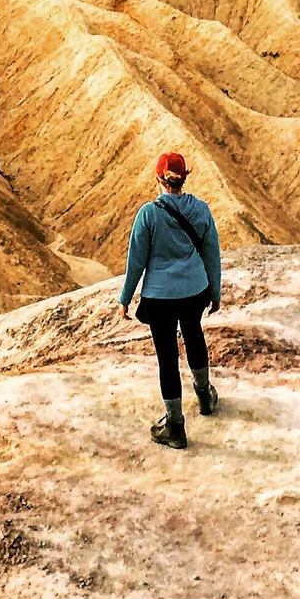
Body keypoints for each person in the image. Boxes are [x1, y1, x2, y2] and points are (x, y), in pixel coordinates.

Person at [119, 150, 221, 449]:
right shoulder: (201, 209)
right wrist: (215, 292)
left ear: (158, 179)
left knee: (167, 358)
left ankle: (175, 427)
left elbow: (136, 260)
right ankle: (204, 396)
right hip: (193, 292)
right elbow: (211, 253)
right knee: (194, 335)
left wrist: (125, 298)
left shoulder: (147, 215)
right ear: (185, 178)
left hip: (160, 297)